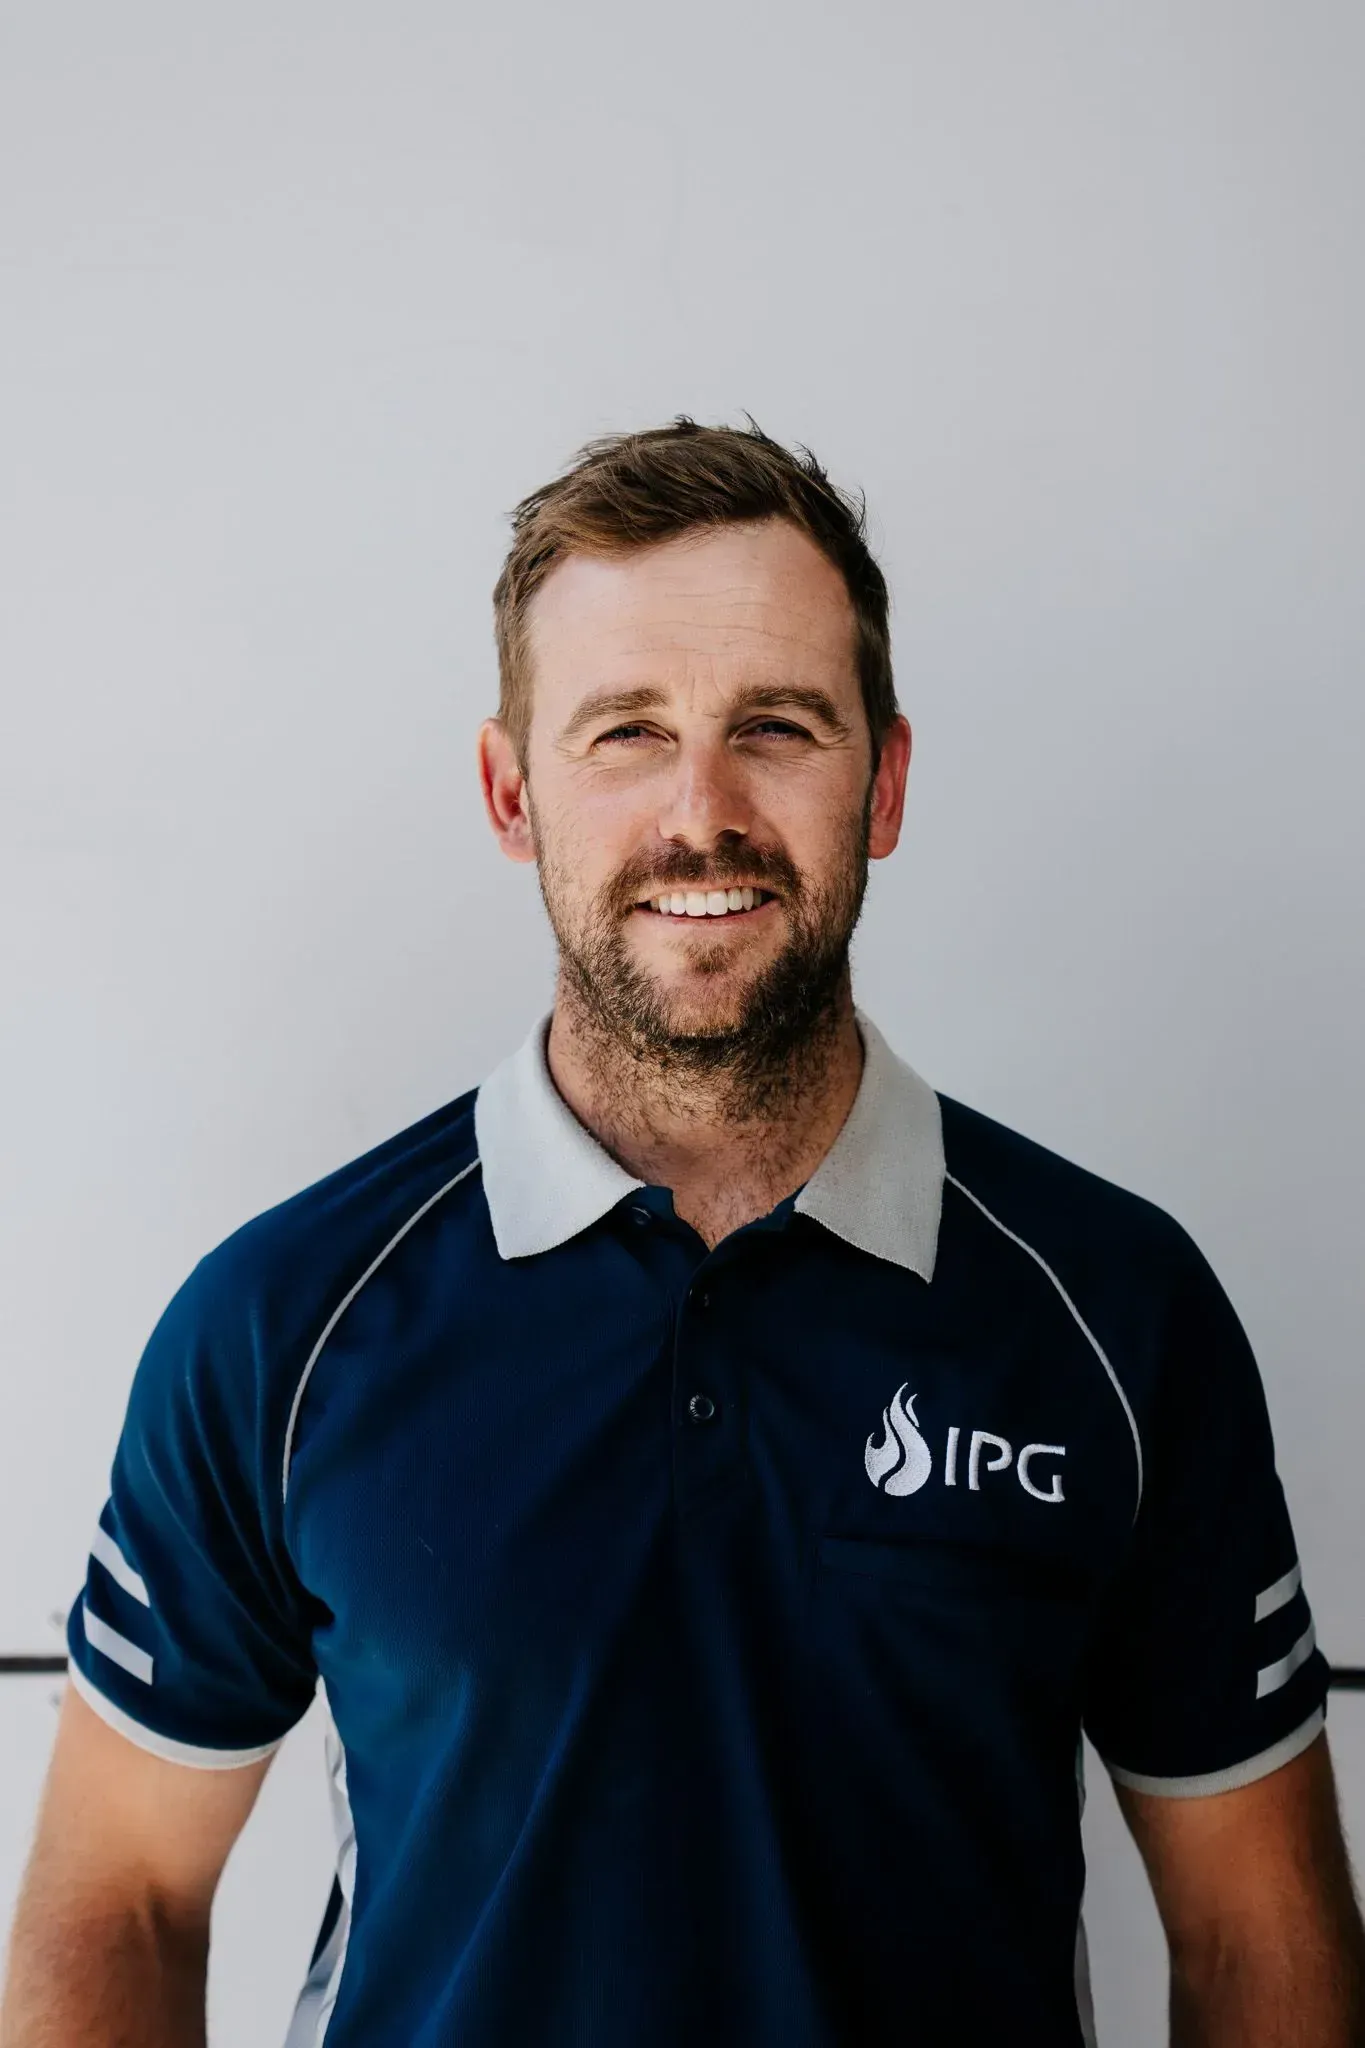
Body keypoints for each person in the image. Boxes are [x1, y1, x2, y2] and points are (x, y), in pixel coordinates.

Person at [3, 420, 1361, 2048]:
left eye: (777, 727)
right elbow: (115, 1907)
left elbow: (1260, 1944)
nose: (700, 812)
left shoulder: (1121, 1316)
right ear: (513, 793)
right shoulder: (280, 1325)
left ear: (887, 781)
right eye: (624, 734)